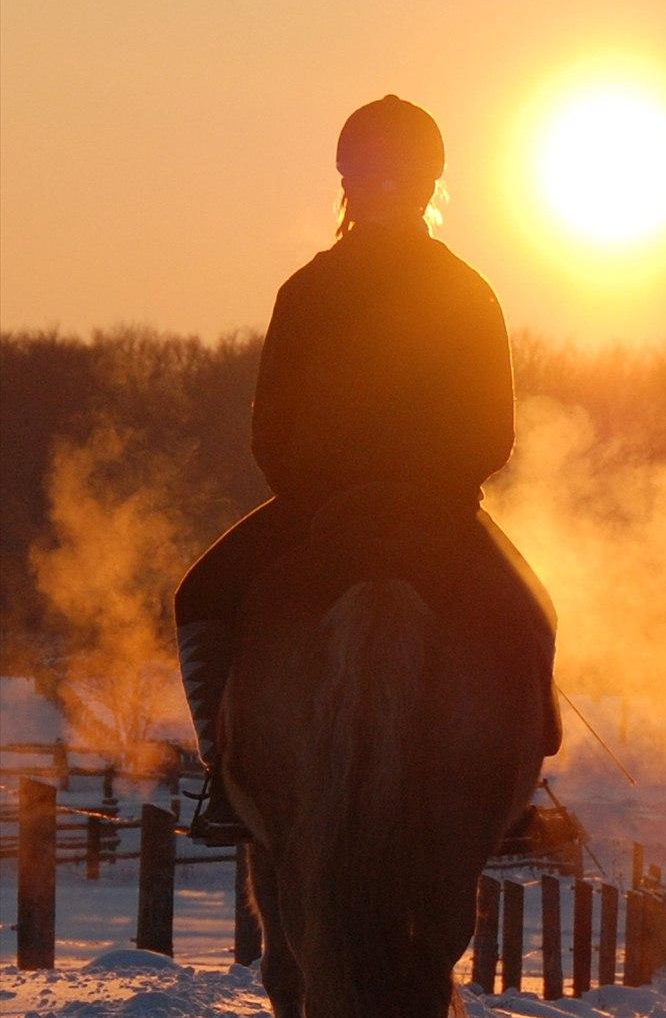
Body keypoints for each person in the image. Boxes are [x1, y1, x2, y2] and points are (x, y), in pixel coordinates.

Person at [175, 94, 553, 842]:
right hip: (436, 515)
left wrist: (311, 494)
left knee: (204, 596)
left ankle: (223, 777)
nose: (384, 193)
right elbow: (494, 432)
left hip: (317, 513)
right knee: (534, 612)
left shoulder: (308, 289)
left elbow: (270, 429)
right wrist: (442, 491)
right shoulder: (468, 291)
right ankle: (515, 793)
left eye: (392, 180)